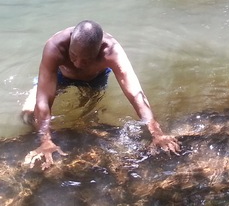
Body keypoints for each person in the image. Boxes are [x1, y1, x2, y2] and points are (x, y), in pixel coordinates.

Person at [22, 20, 181, 169]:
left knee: (85, 119)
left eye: (86, 60)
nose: (78, 64)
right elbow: (44, 99)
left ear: (98, 51)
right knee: (28, 115)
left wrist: (156, 131)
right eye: (73, 56)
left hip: (95, 79)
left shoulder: (111, 51)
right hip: (60, 76)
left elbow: (134, 92)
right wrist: (46, 141)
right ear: (70, 43)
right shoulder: (54, 47)